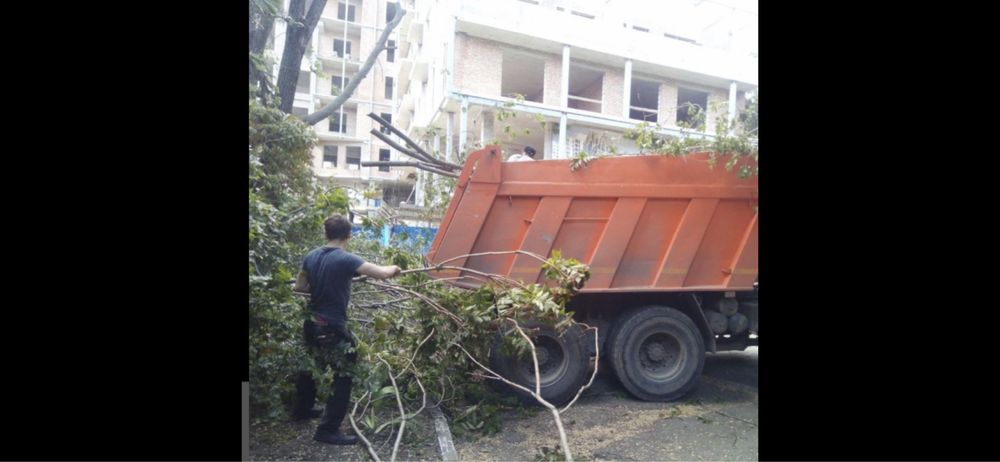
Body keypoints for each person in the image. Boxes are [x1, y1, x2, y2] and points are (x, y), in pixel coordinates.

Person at [291, 214, 402, 445]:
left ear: (326, 234)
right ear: (349, 236)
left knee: (311, 366)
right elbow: (382, 273)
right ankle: (328, 430)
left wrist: (321, 286)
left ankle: (301, 410)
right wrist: (396, 267)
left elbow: (299, 287)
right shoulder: (346, 259)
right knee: (344, 374)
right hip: (332, 326)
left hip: (311, 323)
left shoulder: (311, 256)